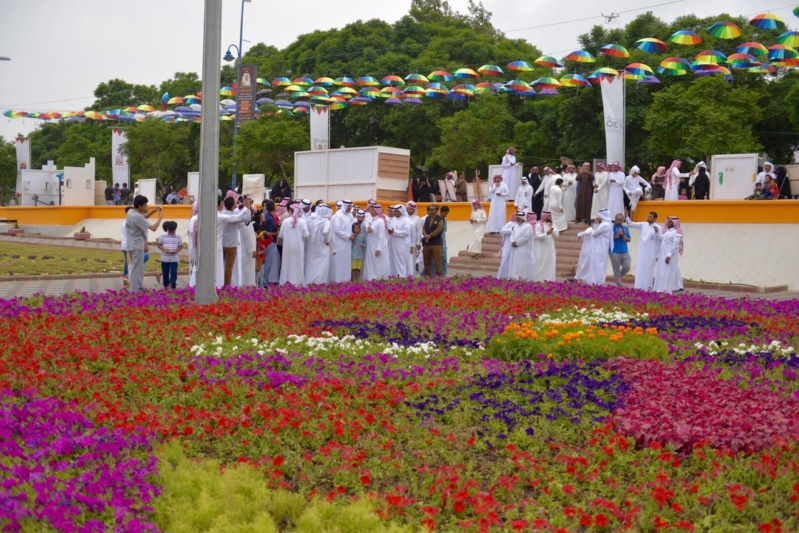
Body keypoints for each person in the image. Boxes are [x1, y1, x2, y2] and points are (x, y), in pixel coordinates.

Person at [126, 195, 163, 292]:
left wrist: (153, 211)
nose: (147, 207)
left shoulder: (131, 212)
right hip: (137, 246)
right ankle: (133, 291)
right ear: (140, 206)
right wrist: (160, 217)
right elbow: (154, 228)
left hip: (130, 245)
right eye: (145, 205)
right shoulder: (137, 216)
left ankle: (133, 289)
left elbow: (143, 217)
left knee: (135, 268)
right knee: (135, 270)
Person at [627, 211, 661, 291]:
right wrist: (626, 216)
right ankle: (638, 287)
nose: (648, 218)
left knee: (649, 270)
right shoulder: (643, 225)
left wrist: (657, 255)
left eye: (650, 217)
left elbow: (659, 241)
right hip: (642, 252)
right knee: (640, 269)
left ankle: (647, 288)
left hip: (651, 253)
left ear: (655, 219)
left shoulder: (658, 228)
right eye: (648, 216)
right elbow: (631, 224)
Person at [278, 204, 309, 286]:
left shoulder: (285, 221)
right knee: (297, 265)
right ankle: (297, 283)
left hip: (287, 248)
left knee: (286, 264)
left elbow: (280, 235)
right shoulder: (302, 222)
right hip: (298, 248)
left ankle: (285, 282)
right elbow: (306, 235)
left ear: (291, 211)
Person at [654, 216, 684, 294]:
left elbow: (675, 245)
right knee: (662, 272)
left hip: (670, 256)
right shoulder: (668, 231)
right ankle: (661, 289)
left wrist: (669, 255)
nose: (668, 223)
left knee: (668, 272)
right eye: (668, 221)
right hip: (663, 254)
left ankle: (667, 290)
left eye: (670, 222)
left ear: (675, 223)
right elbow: (661, 238)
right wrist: (657, 232)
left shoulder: (677, 233)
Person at [305, 204, 332, 284]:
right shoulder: (326, 221)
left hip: (311, 246)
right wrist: (327, 240)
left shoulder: (310, 219)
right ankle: (319, 283)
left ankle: (309, 282)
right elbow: (325, 232)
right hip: (322, 247)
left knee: (311, 265)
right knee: (322, 266)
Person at [363, 204, 390, 281]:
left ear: (377, 211)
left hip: (377, 246)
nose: (370, 212)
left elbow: (381, 235)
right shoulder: (373, 220)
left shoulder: (380, 221)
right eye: (370, 210)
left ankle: (379, 279)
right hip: (371, 245)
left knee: (377, 263)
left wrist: (379, 248)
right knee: (372, 263)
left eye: (372, 210)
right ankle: (371, 278)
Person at [329, 200, 354, 282]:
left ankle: (345, 279)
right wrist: (348, 236)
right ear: (344, 206)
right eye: (348, 206)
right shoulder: (338, 215)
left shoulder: (348, 215)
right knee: (339, 261)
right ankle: (338, 280)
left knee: (346, 261)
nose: (350, 208)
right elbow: (337, 230)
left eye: (350, 206)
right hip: (339, 243)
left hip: (347, 243)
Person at [585, 210, 612, 286]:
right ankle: (593, 280)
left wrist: (596, 223)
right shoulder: (604, 224)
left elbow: (594, 233)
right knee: (596, 263)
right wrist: (596, 224)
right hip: (599, 246)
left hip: (600, 247)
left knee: (598, 264)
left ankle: (597, 281)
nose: (598, 217)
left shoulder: (605, 224)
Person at [508, 211, 535, 281]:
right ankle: (513, 277)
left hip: (522, 248)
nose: (516, 219)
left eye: (517, 218)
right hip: (514, 248)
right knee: (514, 263)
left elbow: (526, 238)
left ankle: (521, 278)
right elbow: (512, 235)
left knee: (521, 263)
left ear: (522, 218)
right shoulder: (516, 226)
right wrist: (512, 241)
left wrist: (517, 243)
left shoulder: (528, 227)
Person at [156, 221, 182, 289]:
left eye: (172, 231)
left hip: (174, 258)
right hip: (165, 258)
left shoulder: (178, 236)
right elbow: (159, 244)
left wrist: (176, 250)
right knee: (165, 274)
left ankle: (172, 286)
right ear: (167, 228)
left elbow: (180, 246)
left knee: (173, 273)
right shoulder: (163, 235)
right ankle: (166, 287)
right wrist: (164, 249)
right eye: (170, 231)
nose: (171, 233)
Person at [533, 211, 559, 282]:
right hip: (541, 248)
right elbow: (538, 236)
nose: (550, 217)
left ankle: (550, 279)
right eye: (549, 216)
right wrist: (546, 234)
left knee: (550, 262)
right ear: (545, 217)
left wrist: (552, 228)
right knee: (541, 263)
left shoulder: (552, 224)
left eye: (550, 216)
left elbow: (556, 235)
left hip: (550, 247)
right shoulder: (539, 225)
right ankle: (539, 279)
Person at [387, 205, 411, 277]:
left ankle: (401, 277)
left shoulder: (406, 220)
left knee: (400, 261)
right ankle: (392, 277)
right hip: (392, 243)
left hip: (401, 244)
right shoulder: (393, 219)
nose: (395, 213)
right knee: (392, 260)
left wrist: (394, 232)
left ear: (401, 212)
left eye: (397, 211)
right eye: (395, 211)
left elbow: (406, 232)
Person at [421, 204, 445, 276]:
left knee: (438, 261)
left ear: (437, 210)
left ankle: (439, 277)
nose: (431, 211)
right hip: (427, 243)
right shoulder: (427, 218)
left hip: (436, 243)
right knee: (426, 261)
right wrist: (425, 235)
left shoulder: (440, 219)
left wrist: (430, 235)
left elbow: (438, 230)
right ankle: (427, 276)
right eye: (430, 209)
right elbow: (423, 228)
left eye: (433, 209)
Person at [610, 213, 632, 287]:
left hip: (624, 250)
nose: (619, 221)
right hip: (614, 251)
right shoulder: (611, 227)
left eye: (621, 220)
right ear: (615, 219)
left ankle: (617, 277)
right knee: (616, 268)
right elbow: (608, 238)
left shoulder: (625, 228)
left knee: (627, 267)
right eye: (617, 220)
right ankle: (619, 284)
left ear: (623, 220)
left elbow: (629, 239)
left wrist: (627, 238)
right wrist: (616, 236)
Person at [238, 214, 257, 287]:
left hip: (245, 251)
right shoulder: (245, 226)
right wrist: (252, 250)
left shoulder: (244, 225)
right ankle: (248, 286)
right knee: (248, 272)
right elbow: (248, 239)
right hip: (247, 253)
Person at [496, 214, 515, 280]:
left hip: (514, 246)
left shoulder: (520, 225)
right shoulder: (510, 223)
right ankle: (501, 277)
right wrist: (511, 229)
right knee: (504, 261)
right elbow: (502, 231)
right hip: (507, 245)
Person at [406, 202, 421, 275]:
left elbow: (418, 231)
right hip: (404, 240)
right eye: (409, 209)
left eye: (412, 209)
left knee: (412, 257)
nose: (410, 210)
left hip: (413, 241)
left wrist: (418, 243)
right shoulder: (404, 217)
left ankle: (411, 274)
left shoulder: (417, 218)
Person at [187, 201, 199, 287]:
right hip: (194, 244)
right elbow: (192, 232)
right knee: (194, 262)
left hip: (196, 244)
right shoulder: (194, 218)